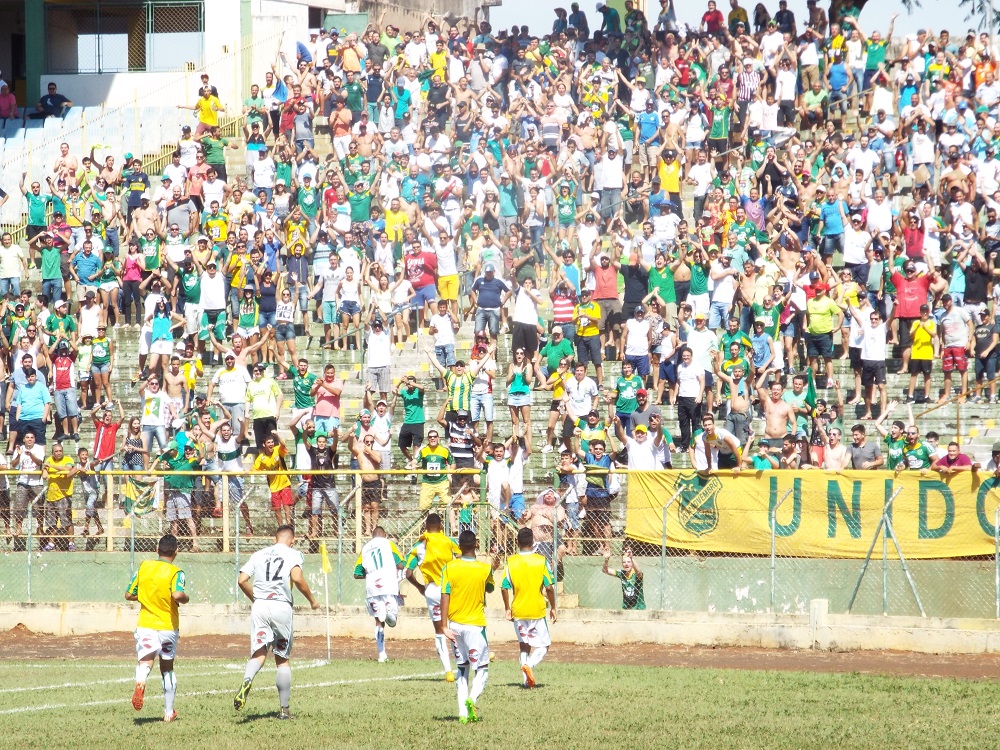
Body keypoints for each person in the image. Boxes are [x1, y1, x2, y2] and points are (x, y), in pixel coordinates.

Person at [234, 525, 320, 720]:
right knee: (282, 659)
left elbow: (241, 580)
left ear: (275, 539)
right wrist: (312, 600)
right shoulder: (293, 553)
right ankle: (284, 710)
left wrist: (255, 598)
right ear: (292, 540)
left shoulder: (259, 554)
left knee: (259, 653)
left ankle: (247, 680)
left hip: (260, 606)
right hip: (281, 606)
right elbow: (297, 578)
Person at [125, 533, 189, 723]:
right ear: (176, 552)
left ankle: (141, 681)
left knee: (145, 661)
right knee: (167, 667)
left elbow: (129, 594)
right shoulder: (177, 572)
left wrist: (146, 597)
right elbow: (177, 595)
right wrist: (186, 598)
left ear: (156, 550)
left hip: (146, 625)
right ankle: (169, 713)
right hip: (168, 626)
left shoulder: (144, 567)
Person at [441, 529, 498, 724]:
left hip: (455, 625)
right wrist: (493, 570)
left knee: (462, 669)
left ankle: (462, 713)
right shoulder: (484, 568)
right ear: (476, 545)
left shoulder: (449, 568)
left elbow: (445, 595)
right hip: (475, 625)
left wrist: (443, 626)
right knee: (481, 669)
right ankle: (471, 700)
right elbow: (489, 588)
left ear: (459, 546)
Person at [404, 513, 461, 681]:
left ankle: (448, 671)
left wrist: (420, 587)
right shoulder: (450, 542)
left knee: (440, 631)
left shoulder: (419, 546)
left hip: (432, 591)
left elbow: (407, 573)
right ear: (442, 527)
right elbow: (461, 560)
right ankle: (462, 665)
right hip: (450, 590)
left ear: (425, 528)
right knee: (455, 627)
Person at [501, 526, 557, 688]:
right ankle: (530, 666)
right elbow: (549, 587)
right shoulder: (541, 561)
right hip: (536, 610)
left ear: (517, 542)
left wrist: (507, 608)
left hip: (518, 610)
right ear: (533, 542)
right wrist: (553, 607)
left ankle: (526, 681)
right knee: (544, 645)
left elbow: (504, 587)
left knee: (524, 645)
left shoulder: (511, 562)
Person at [354, 526, 405, 663]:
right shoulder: (389, 543)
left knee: (378, 620)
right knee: (391, 616)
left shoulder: (365, 548)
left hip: (372, 587)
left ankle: (382, 654)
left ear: (372, 536)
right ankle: (391, 614)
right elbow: (400, 564)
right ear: (385, 534)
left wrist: (370, 572)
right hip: (388, 583)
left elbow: (357, 573)